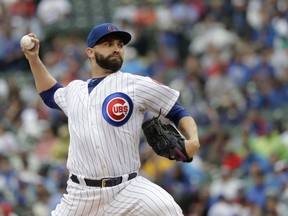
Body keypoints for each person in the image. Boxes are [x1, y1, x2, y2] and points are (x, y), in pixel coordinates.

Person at [21, 23, 200, 216]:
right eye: (108, 44)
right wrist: (33, 59)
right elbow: (50, 93)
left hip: (128, 189)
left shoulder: (135, 84)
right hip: (81, 194)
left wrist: (193, 140)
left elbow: (177, 111)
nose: (116, 48)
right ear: (90, 51)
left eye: (120, 45)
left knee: (169, 209)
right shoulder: (74, 90)